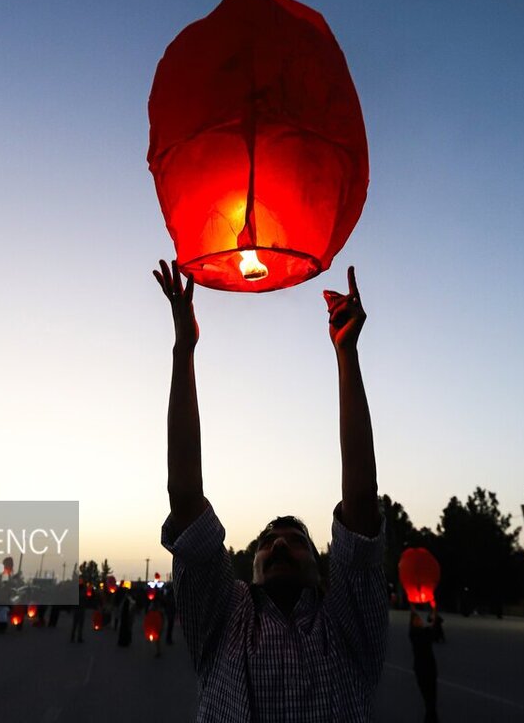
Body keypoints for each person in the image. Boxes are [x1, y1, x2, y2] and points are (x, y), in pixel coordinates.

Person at [155, 260, 387, 722]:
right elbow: (184, 497)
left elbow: (361, 502)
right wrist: (184, 349)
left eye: (296, 541)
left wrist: (347, 355)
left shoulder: (345, 625)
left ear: (323, 572)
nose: (279, 543)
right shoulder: (223, 618)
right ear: (253, 567)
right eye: (268, 541)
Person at [409, 604, 440, 723]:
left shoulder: (424, 632)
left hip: (429, 669)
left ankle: (431, 719)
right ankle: (432, 719)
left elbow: (434, 628)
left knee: (431, 700)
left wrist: (434, 610)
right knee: (429, 700)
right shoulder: (415, 634)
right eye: (416, 620)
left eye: (419, 619)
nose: (419, 621)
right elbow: (432, 628)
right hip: (422, 669)